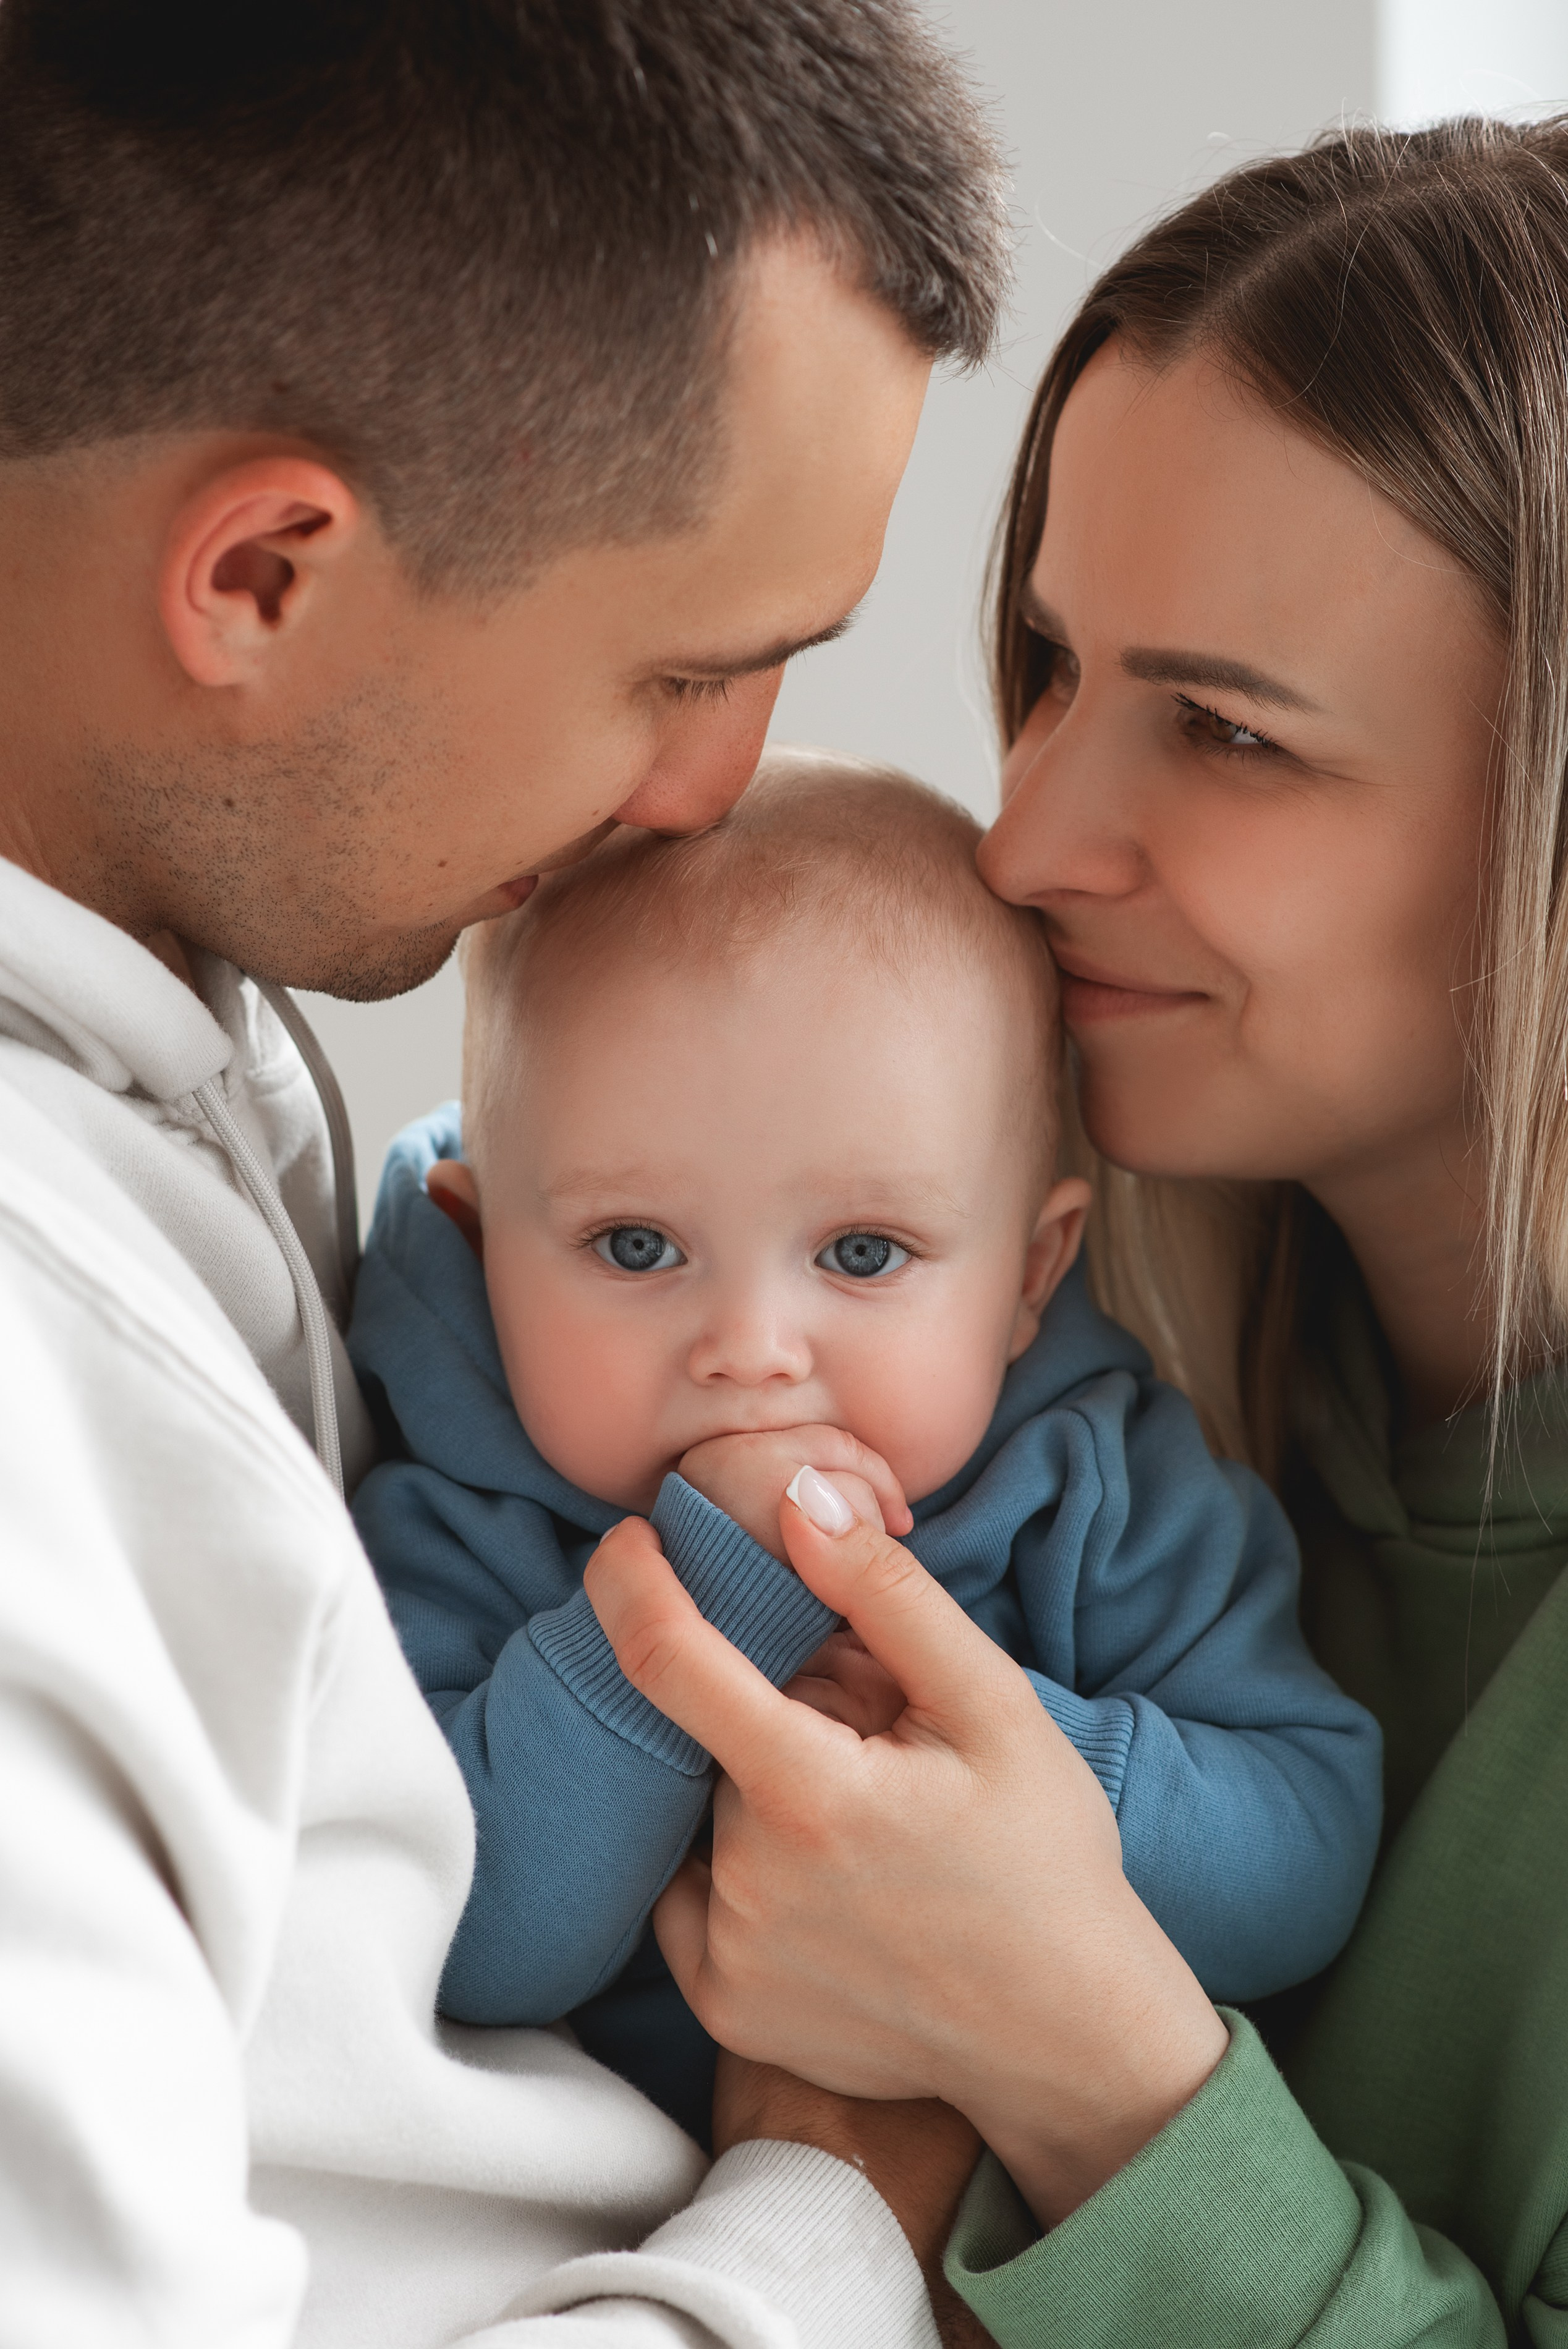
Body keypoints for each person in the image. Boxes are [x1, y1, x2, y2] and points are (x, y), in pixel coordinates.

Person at [0, 4, 1015, 2342]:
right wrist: (823, 2221)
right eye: (685, 671)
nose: (710, 795)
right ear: (259, 575)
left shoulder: (206, 1046)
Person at [576, 116, 1568, 2344]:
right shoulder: (1030, 1339)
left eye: (1220, 730)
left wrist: (1082, 2063)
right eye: (1046, 668)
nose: (1022, 839)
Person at [344, 752, 1379, 2148]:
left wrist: (1023, 1774)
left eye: (863, 1251)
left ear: (1028, 1272)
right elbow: (463, 1940)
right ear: (481, 1247)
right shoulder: (461, 1513)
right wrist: (693, 1612)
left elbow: (1305, 1862)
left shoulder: (1096, 1480)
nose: (754, 1344)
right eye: (636, 1246)